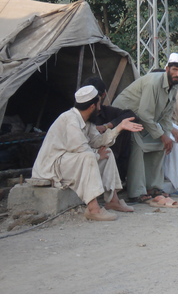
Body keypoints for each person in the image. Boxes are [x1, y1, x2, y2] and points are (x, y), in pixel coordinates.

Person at [31, 85, 143, 221]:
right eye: (98, 104)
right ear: (92, 107)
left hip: (69, 161)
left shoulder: (86, 121)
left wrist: (119, 128)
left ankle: (113, 200)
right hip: (52, 165)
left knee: (107, 152)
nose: (100, 108)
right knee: (89, 156)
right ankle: (93, 208)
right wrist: (97, 156)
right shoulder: (70, 120)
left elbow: (98, 141)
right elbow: (79, 149)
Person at [112, 53, 178, 208]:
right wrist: (163, 135)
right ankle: (137, 192)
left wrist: (166, 135)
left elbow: (166, 115)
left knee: (160, 144)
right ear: (167, 68)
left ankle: (154, 187)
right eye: (175, 70)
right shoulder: (153, 83)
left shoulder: (174, 86)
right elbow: (143, 113)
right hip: (124, 118)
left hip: (143, 121)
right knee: (139, 144)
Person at [82, 76, 138, 183]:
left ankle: (119, 178)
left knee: (124, 130)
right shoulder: (75, 118)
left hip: (105, 155)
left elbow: (131, 115)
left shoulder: (107, 112)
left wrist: (108, 126)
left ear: (102, 96)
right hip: (87, 159)